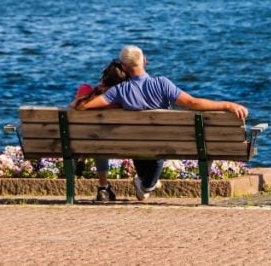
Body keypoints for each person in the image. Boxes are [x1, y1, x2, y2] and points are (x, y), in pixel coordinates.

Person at [76, 45, 248, 201]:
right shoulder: (162, 84)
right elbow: (193, 103)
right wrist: (228, 105)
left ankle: (144, 184)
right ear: (144, 61)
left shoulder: (119, 91)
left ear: (124, 68)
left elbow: (83, 106)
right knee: (149, 180)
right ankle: (145, 185)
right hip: (162, 146)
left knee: (146, 176)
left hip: (134, 147)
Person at [69, 59, 129, 202]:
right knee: (101, 138)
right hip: (124, 143)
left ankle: (102, 184)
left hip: (87, 141)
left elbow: (74, 106)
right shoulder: (126, 98)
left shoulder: (90, 95)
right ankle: (103, 187)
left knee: (97, 137)